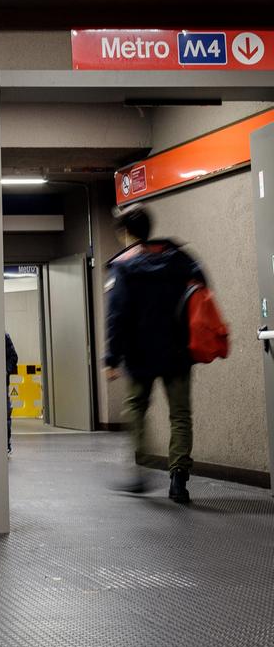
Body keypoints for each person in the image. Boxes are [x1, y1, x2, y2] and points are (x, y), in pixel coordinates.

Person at [105, 203, 203, 503]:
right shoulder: (181, 259)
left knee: (135, 408)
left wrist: (112, 358)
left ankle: (140, 472)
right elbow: (201, 293)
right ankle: (178, 479)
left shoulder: (124, 267)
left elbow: (117, 315)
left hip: (140, 354)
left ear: (126, 233)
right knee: (180, 415)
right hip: (178, 350)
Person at [5, 333, 18, 454]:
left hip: (2, 384)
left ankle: (6, 444)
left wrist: (6, 370)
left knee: (5, 414)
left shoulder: (4, 337)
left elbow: (14, 357)